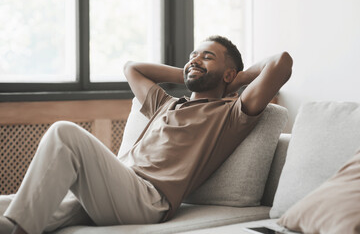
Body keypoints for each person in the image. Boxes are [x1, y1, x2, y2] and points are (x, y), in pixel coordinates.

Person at [0, 35, 292, 234]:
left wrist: (237, 79)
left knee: (64, 133)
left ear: (228, 74)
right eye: (192, 55)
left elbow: (281, 62)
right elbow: (132, 68)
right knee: (7, 208)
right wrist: (189, 71)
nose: (195, 59)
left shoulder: (230, 114)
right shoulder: (165, 104)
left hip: (148, 200)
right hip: (115, 189)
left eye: (207, 56)